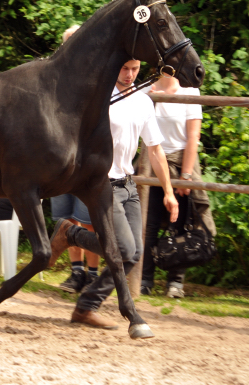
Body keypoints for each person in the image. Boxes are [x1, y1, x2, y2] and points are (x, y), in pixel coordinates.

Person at [48, 59, 179, 330]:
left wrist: (168, 190)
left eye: (135, 69)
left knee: (133, 254)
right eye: (124, 69)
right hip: (101, 183)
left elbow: (154, 149)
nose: (130, 75)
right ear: (114, 66)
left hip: (128, 184)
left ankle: (85, 305)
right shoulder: (99, 96)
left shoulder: (143, 102)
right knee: (123, 249)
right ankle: (71, 237)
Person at [140, 71, 216, 298]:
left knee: (181, 224)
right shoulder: (146, 91)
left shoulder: (189, 91)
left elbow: (193, 137)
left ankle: (175, 282)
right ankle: (144, 278)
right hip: (153, 161)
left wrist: (186, 175)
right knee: (149, 224)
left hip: (182, 161)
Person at [51, 25, 101, 294]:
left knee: (90, 220)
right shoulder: (55, 80)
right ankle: (76, 273)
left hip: (85, 162)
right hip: (59, 160)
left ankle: (93, 276)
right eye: (68, 43)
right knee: (67, 219)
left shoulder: (97, 80)